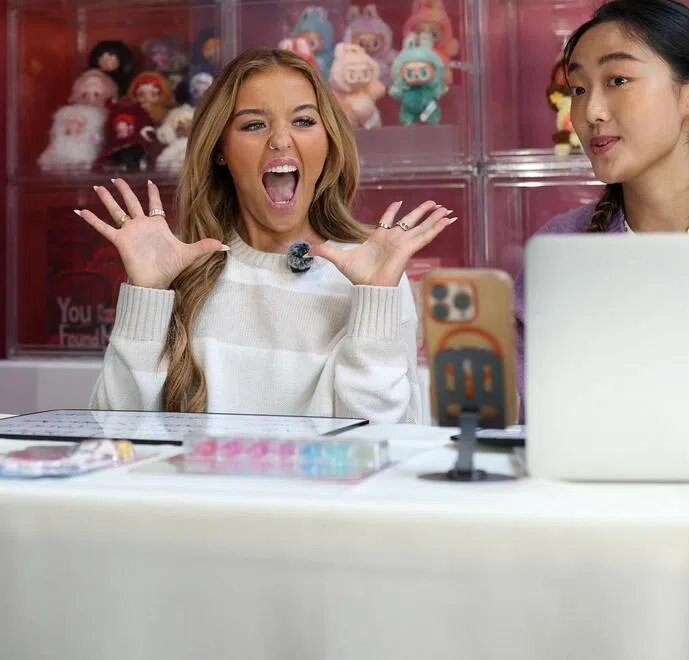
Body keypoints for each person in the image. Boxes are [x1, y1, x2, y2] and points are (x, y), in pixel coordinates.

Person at [77, 47, 457, 418]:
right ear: (220, 149)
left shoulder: (374, 272)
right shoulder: (181, 270)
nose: (279, 139)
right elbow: (116, 430)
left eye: (304, 121)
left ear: (328, 144)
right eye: (254, 124)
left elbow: (381, 444)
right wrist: (146, 293)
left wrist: (375, 299)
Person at [515, 0, 689, 394]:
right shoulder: (559, 250)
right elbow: (519, 424)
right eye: (578, 89)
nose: (589, 113)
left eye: (618, 80)